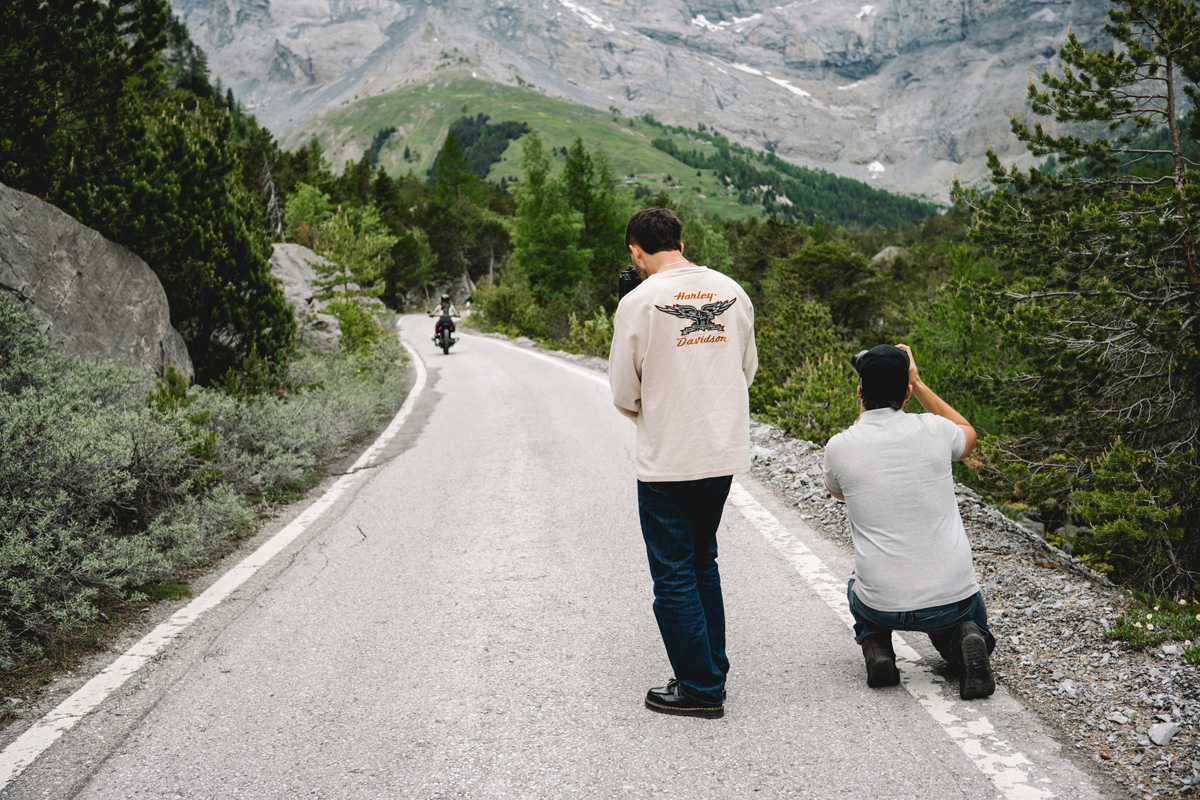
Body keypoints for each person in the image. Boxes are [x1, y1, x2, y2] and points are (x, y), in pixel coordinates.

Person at [608, 207, 757, 719]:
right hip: (721, 449)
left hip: (669, 455)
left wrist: (653, 412)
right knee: (702, 560)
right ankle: (711, 669)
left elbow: (623, 390)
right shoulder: (731, 290)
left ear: (636, 251)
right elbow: (746, 369)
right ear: (681, 242)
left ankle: (699, 688)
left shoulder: (638, 302)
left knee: (672, 571)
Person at [823, 343, 996, 700]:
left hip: (881, 602)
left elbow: (840, 493)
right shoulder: (936, 430)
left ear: (860, 392)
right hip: (951, 599)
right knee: (961, 622)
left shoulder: (839, 447)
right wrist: (918, 384)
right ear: (906, 392)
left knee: (855, 584)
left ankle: (877, 647)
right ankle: (963, 639)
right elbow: (967, 432)